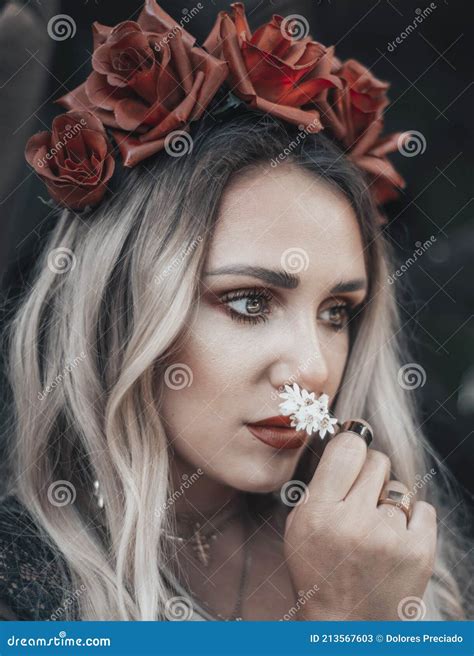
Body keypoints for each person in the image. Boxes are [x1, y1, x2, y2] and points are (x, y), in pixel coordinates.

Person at [0, 0, 471, 622]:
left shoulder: (404, 545)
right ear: (120, 310)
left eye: (337, 312)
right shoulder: (26, 589)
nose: (313, 370)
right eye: (249, 301)